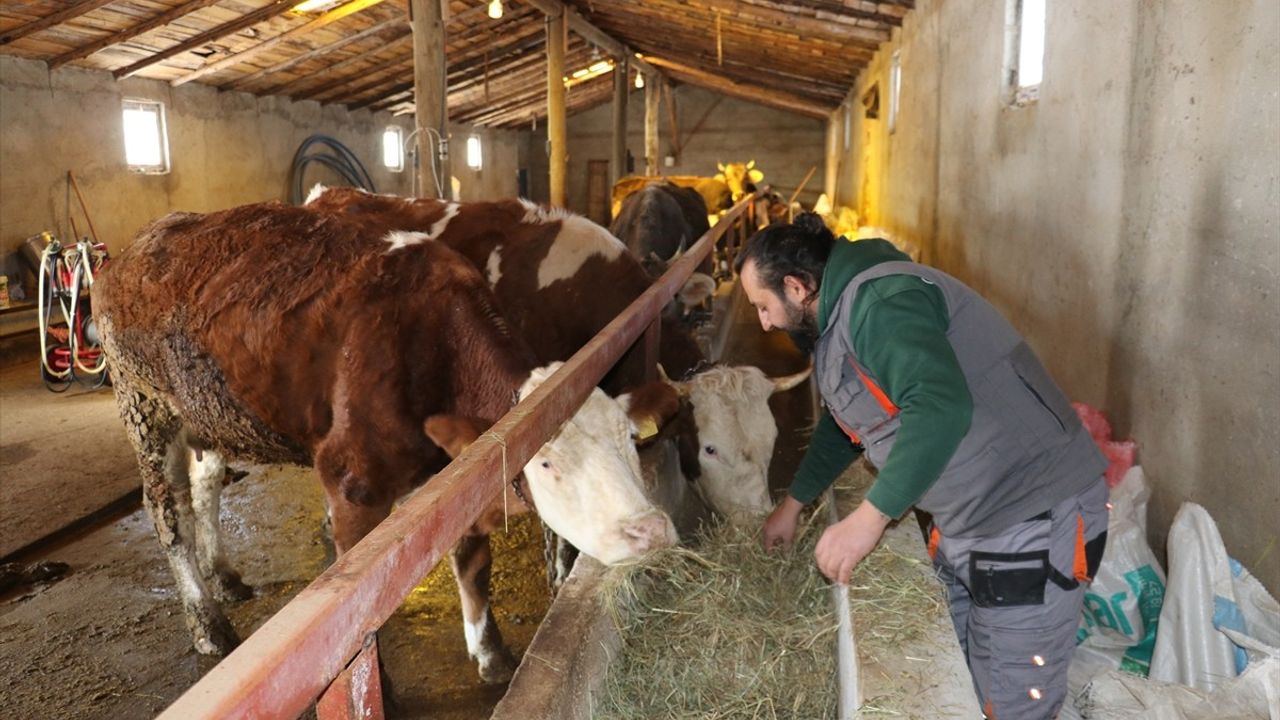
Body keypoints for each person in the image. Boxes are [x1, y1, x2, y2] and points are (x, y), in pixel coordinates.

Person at [736, 213, 1109, 720]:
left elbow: (939, 407)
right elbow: (850, 422)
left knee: (1013, 700)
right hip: (970, 516)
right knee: (962, 672)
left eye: (763, 305)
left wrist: (869, 519)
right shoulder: (842, 321)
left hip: (1029, 516)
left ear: (798, 287)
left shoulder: (881, 304)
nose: (764, 322)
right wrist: (794, 504)